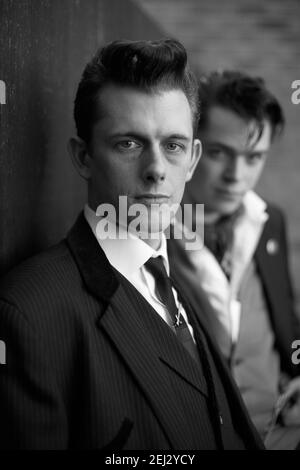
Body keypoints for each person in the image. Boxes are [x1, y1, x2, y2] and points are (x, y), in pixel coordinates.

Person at [0, 40, 263, 450]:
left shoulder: (181, 272)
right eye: (129, 144)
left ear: (192, 159)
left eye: (173, 146)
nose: (157, 170)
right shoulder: (29, 313)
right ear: (83, 157)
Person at [170, 70, 300, 450]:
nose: (236, 176)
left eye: (254, 157)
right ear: (190, 148)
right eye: (218, 153)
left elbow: (284, 319)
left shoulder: (270, 220)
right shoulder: (148, 230)